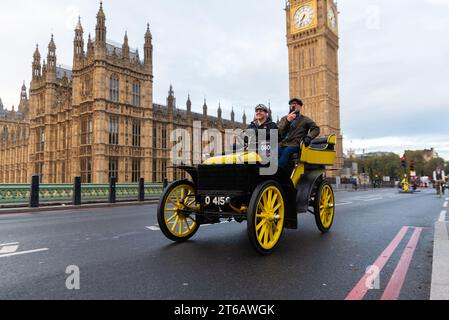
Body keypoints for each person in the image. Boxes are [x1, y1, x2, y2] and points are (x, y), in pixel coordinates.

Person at [277, 98, 320, 169]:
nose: (293, 105)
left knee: (286, 152)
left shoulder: (305, 119)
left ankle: (277, 173)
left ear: (300, 107)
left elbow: (316, 129)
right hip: (283, 144)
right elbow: (280, 131)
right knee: (273, 153)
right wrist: (287, 121)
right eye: (291, 104)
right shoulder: (284, 118)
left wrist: (309, 137)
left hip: (295, 144)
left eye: (295, 104)